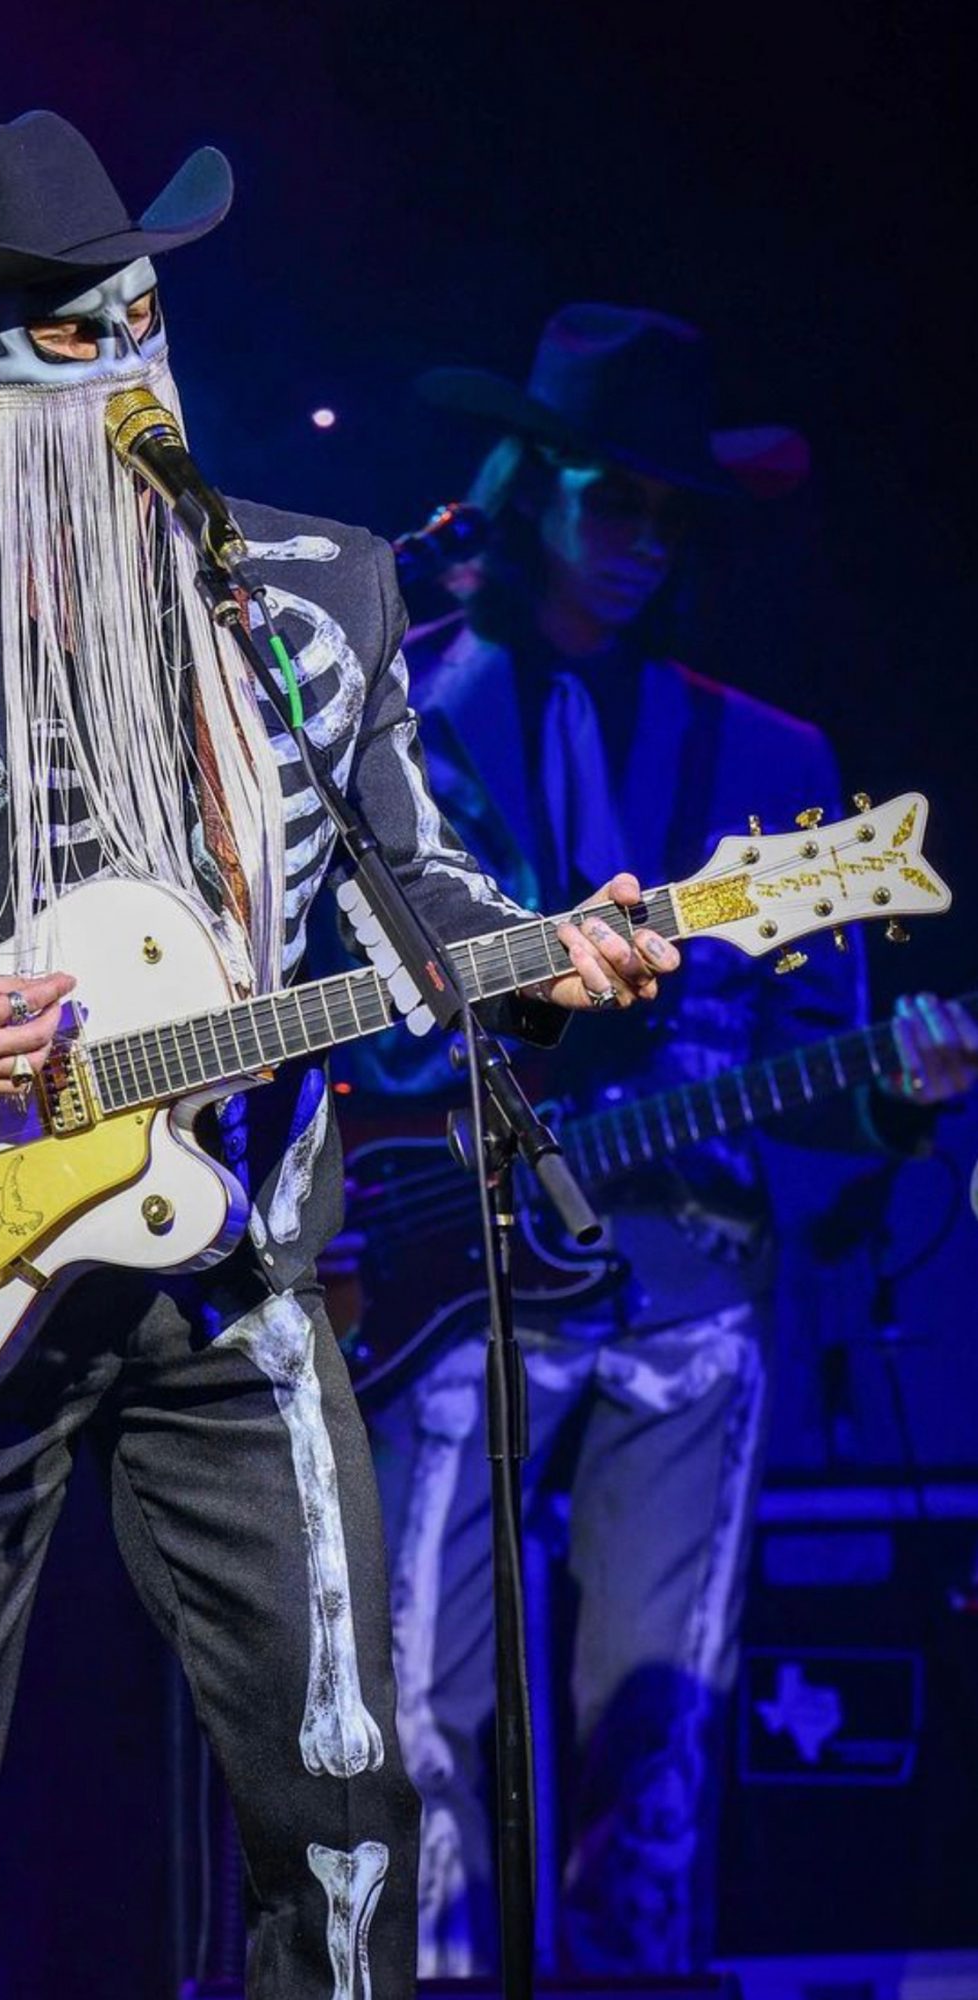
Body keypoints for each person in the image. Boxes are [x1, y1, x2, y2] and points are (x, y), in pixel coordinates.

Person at [0, 120, 682, 1998]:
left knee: (346, 1800)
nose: (132, 363)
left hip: (228, 1265)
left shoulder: (315, 586)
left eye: (145, 317)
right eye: (79, 335)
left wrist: (545, 962)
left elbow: (410, 886)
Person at [338, 304, 978, 1978]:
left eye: (670, 515)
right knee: (418, 1702)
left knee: (659, 1717)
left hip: (685, 1283)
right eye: (611, 499)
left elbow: (802, 1064)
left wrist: (892, 1094)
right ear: (527, 488)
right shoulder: (398, 717)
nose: (643, 542)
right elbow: (349, 1013)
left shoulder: (770, 759)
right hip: (453, 1274)